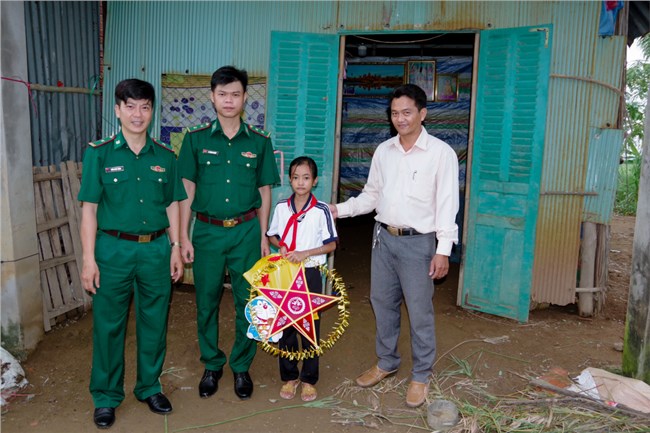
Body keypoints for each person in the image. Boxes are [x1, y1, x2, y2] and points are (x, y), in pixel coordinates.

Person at [329, 84, 459, 408]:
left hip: (419, 244)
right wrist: (338, 210)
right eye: (394, 113)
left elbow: (447, 203)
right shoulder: (384, 151)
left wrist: (443, 249)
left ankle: (421, 374)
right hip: (383, 238)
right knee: (382, 302)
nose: (400, 119)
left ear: (422, 114)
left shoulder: (440, 153)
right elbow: (372, 196)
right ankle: (386, 362)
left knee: (419, 310)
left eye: (407, 112)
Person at [79, 79, 186, 429]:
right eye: (130, 106)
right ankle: (107, 396)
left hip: (155, 249)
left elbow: (172, 203)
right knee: (109, 325)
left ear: (152, 111)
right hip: (112, 251)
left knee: (154, 321)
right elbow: (89, 210)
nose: (137, 114)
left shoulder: (165, 156)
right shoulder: (100, 153)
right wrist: (89, 258)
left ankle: (149, 386)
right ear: (118, 109)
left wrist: (173, 246)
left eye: (144, 107)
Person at [177, 66, 280, 401]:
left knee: (247, 301)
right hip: (206, 232)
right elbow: (187, 190)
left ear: (245, 97)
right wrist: (183, 235)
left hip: (246, 232)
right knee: (205, 300)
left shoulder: (259, 141)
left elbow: (265, 190)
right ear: (213, 96)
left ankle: (240, 366)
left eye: (236, 94)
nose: (229, 100)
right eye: (223, 94)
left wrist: (264, 235)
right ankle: (212, 363)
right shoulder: (195, 140)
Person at [266, 156, 338, 402]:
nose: (300, 182)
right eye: (296, 177)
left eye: (306, 177)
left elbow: (331, 245)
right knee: (285, 327)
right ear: (289, 179)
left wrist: (306, 252)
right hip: (286, 273)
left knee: (309, 328)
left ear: (314, 181)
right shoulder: (281, 208)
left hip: (310, 273)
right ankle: (289, 376)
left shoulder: (321, 211)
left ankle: (308, 379)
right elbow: (272, 235)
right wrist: (282, 247)